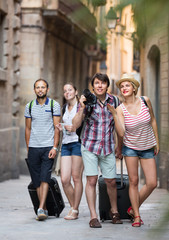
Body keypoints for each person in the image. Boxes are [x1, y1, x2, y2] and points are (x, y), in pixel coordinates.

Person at [107, 73, 159, 227]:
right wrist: (115, 115)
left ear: (134, 87)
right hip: (130, 148)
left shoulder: (145, 100)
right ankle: (136, 215)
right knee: (134, 181)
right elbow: (121, 133)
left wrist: (157, 142)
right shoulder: (120, 109)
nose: (124, 88)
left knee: (151, 183)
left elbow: (153, 120)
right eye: (122, 86)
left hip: (148, 146)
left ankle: (131, 208)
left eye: (127, 85)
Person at [72, 73, 124, 228]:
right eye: (96, 83)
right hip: (89, 146)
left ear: (107, 85)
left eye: (103, 83)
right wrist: (81, 108)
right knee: (91, 180)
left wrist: (119, 146)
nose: (100, 86)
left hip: (108, 147)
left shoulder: (114, 101)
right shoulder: (86, 101)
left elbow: (118, 126)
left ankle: (114, 211)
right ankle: (93, 216)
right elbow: (75, 124)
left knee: (111, 181)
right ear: (92, 85)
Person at [24, 78, 61, 221]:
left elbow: (57, 129)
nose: (40, 90)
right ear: (34, 90)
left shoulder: (54, 105)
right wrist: (28, 147)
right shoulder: (29, 106)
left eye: (43, 87)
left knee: (45, 177)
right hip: (34, 147)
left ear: (47, 89)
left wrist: (54, 147)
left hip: (48, 147)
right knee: (37, 180)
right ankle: (43, 208)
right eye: (38, 87)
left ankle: (40, 208)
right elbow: (28, 128)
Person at [56, 83, 83, 220]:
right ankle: (74, 207)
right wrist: (62, 128)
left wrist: (73, 127)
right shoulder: (64, 108)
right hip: (66, 144)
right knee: (65, 179)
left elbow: (78, 124)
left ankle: (75, 209)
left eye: (70, 90)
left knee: (76, 177)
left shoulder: (81, 106)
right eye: (65, 91)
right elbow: (67, 126)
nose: (67, 92)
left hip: (78, 143)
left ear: (76, 91)